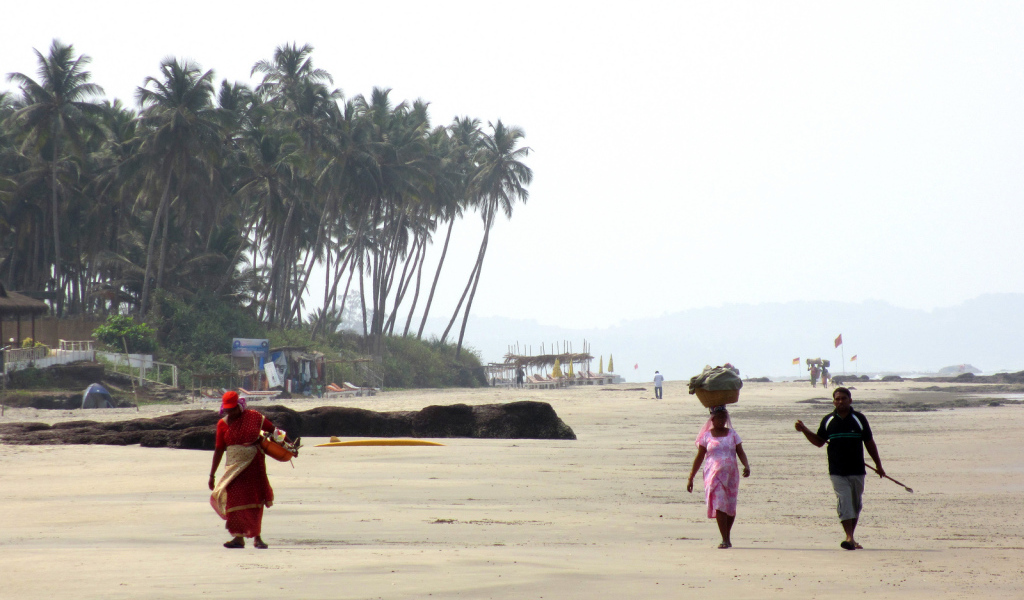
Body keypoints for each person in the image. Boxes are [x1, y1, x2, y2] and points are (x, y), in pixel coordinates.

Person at [794, 386, 885, 550]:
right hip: (837, 471)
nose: (840, 401)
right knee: (844, 502)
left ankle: (851, 538)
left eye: (843, 398)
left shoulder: (859, 419)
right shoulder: (828, 420)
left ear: (850, 400)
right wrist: (804, 430)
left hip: (857, 469)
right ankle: (849, 537)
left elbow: (869, 442)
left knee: (855, 505)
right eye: (837, 399)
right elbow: (819, 442)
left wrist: (878, 465)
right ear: (834, 402)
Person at [209, 391, 286, 549]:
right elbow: (219, 449)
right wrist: (212, 475)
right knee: (234, 500)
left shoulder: (254, 416)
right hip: (233, 468)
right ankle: (238, 538)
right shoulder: (222, 424)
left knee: (256, 500)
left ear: (240, 406)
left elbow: (273, 430)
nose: (231, 412)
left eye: (233, 409)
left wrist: (287, 444)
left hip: (254, 465)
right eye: (228, 410)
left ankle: (257, 537)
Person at [687, 405, 751, 548]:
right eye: (719, 418)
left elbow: (740, 451)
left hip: (731, 475)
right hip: (713, 475)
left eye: (724, 418)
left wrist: (746, 465)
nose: (722, 421)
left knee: (730, 507)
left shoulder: (732, 434)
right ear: (712, 420)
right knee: (720, 505)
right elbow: (699, 457)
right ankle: (725, 539)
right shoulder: (707, 436)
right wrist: (691, 477)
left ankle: (727, 536)